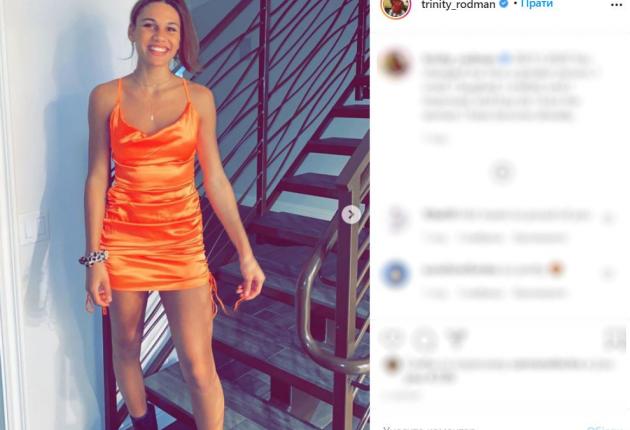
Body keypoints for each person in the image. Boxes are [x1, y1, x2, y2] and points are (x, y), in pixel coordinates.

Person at [80, 1, 266, 429]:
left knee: (198, 367)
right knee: (126, 348)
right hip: (122, 241)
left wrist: (246, 253)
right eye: (149, 25)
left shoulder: (199, 99)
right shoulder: (105, 97)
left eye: (171, 28)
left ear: (181, 40)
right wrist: (95, 259)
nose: (159, 36)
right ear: (132, 31)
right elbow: (96, 178)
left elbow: (215, 180)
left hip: (181, 243)